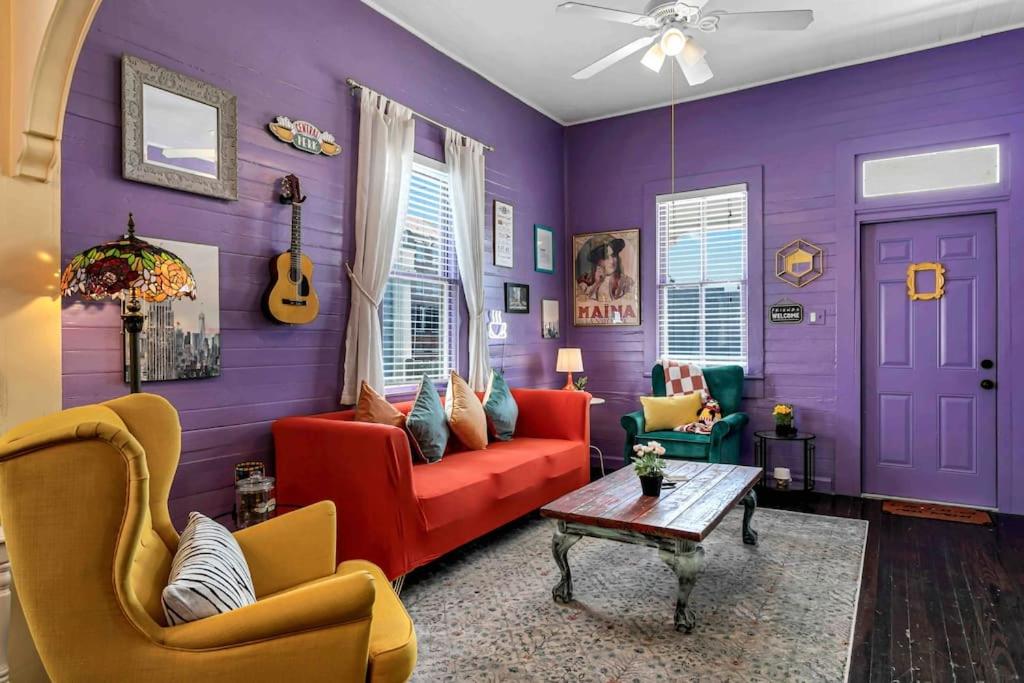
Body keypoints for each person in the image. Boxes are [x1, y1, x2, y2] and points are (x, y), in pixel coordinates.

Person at [576, 237, 634, 302]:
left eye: (613, 255)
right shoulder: (585, 281)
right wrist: (597, 284)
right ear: (598, 261)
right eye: (606, 257)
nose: (612, 261)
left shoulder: (626, 282)